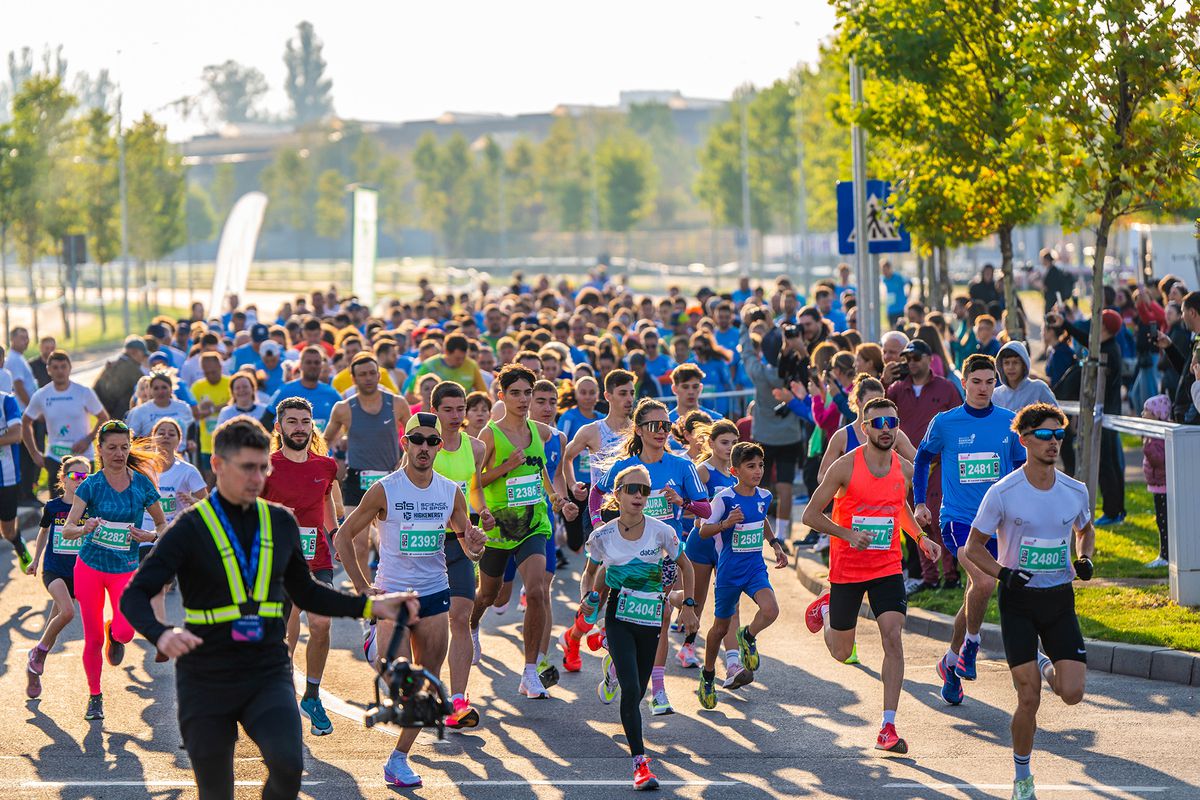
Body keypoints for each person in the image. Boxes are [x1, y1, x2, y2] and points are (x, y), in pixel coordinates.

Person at [121, 417, 418, 800]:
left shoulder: (280, 522)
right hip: (207, 673)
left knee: (289, 767)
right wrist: (161, 633)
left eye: (263, 467)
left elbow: (307, 593)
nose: (256, 478)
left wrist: (373, 606)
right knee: (215, 792)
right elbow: (134, 594)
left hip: (266, 668)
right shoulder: (190, 527)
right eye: (247, 467)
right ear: (218, 465)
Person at [335, 411, 486, 787]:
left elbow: (467, 545)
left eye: (431, 442)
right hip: (393, 598)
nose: (424, 447)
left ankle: (398, 759)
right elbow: (343, 536)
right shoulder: (386, 489)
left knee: (426, 687)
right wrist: (361, 587)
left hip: (435, 595)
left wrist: (476, 547)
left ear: (439, 446)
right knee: (399, 681)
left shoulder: (451, 490)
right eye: (416, 440)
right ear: (404, 443)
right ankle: (374, 638)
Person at [960, 403, 1094, 800]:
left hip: (1058, 600)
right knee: (1029, 696)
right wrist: (1004, 573)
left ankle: (1044, 660)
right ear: (1024, 440)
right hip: (1018, 600)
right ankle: (1023, 777)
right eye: (1045, 435)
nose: (1054, 442)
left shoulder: (1075, 490)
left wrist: (1084, 557)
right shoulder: (1003, 493)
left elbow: (1085, 529)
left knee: (1071, 692)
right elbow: (974, 548)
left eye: (1059, 435)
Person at [802, 398, 942, 753]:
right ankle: (829, 610)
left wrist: (921, 538)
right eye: (877, 423)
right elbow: (810, 516)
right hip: (848, 567)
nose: (885, 428)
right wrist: (848, 534)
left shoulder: (905, 469)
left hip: (886, 566)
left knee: (892, 638)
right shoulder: (844, 467)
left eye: (891, 422)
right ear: (864, 428)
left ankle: (887, 726)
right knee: (840, 650)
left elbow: (900, 509)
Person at [913, 355, 1026, 705]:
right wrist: (919, 503)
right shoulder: (946, 423)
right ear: (964, 382)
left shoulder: (1010, 423)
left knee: (976, 592)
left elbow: (1023, 470)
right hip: (958, 520)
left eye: (989, 382)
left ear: (996, 385)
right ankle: (972, 646)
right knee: (985, 581)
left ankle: (950, 661)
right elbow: (921, 460)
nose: (982, 388)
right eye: (976, 381)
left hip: (998, 522)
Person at [580, 463, 699, 790]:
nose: (638, 496)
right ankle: (640, 763)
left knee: (639, 687)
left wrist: (689, 606)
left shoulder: (662, 531)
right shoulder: (602, 535)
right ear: (616, 494)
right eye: (631, 489)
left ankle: (614, 665)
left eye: (644, 490)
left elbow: (686, 566)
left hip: (650, 619)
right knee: (632, 691)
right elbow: (590, 573)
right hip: (618, 615)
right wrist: (588, 600)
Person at [594, 398, 710, 716]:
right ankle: (618, 664)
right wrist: (598, 523)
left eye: (666, 425)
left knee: (658, 620)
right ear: (639, 429)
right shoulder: (625, 468)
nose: (662, 431)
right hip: (627, 555)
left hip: (666, 556)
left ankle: (657, 690)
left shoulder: (682, 466)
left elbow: (706, 508)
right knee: (631, 620)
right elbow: (596, 492)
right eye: (654, 426)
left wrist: (683, 502)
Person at [61, 419, 168, 720]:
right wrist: (85, 528)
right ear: (100, 450)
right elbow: (68, 528)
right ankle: (95, 696)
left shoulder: (142, 484)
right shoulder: (90, 485)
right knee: (92, 639)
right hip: (90, 567)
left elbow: (162, 524)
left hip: (126, 568)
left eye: (124, 447)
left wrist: (151, 536)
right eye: (112, 448)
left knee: (125, 631)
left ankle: (115, 632)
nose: (119, 454)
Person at [470, 364, 558, 698]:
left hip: (534, 523)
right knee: (489, 596)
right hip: (498, 526)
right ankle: (473, 623)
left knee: (536, 591)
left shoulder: (540, 431)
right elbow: (473, 485)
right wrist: (504, 471)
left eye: (527, 393)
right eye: (516, 393)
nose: (523, 400)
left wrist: (556, 496)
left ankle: (530, 672)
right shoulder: (489, 435)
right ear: (502, 395)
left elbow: (540, 471)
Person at [261, 397, 340, 736]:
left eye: (305, 422)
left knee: (321, 622)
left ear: (312, 426)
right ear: (279, 428)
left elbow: (325, 504)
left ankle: (311, 695)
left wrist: (335, 535)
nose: (299, 428)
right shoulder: (266, 466)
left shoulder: (326, 466)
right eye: (291, 422)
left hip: (316, 558)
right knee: (281, 636)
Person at [695, 442, 788, 709]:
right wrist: (726, 523)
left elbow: (762, 519)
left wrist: (775, 543)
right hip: (729, 572)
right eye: (751, 466)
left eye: (760, 465)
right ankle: (709, 673)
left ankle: (747, 636)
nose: (758, 471)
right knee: (720, 628)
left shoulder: (764, 496)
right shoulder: (723, 498)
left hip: (754, 568)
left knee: (771, 610)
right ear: (735, 470)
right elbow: (703, 530)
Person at [429, 381, 493, 729]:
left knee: (461, 615)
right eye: (448, 409)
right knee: (429, 624)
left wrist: (483, 513)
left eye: (460, 409)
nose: (455, 416)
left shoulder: (476, 447)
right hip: (424, 544)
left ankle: (457, 700)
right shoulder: (424, 445)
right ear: (435, 410)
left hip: (460, 542)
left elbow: (475, 489)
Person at [323, 352, 412, 585]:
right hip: (357, 480)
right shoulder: (344, 408)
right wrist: (333, 462)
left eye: (373, 373)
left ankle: (393, 586)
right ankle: (365, 595)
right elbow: (323, 443)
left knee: (391, 543)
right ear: (353, 379)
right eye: (362, 374)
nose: (369, 378)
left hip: (390, 479)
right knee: (359, 544)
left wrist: (402, 463)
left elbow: (415, 436)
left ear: (379, 375)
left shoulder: (397, 403)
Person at [887, 339, 962, 593]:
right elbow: (882, 418)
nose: (911, 362)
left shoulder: (946, 387)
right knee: (916, 522)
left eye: (917, 357)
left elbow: (956, 421)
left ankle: (951, 576)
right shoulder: (897, 389)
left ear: (930, 358)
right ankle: (930, 578)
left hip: (940, 463)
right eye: (907, 358)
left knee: (941, 518)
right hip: (908, 466)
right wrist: (886, 379)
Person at [678, 419, 745, 681]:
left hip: (729, 545)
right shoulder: (702, 471)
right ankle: (688, 646)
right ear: (712, 443)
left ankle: (732, 663)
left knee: (731, 603)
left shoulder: (737, 473)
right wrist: (700, 514)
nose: (730, 447)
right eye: (724, 442)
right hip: (703, 543)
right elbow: (683, 505)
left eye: (734, 443)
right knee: (699, 600)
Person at [739, 305, 806, 547]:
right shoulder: (792, 372)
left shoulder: (759, 372)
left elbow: (746, 354)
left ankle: (760, 531)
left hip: (764, 434)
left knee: (761, 485)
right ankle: (784, 534)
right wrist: (774, 326)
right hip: (789, 433)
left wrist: (746, 328)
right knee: (785, 485)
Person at [24, 456, 91, 699]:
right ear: (63, 478)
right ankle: (39, 652)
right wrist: (35, 560)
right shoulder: (52, 507)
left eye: (86, 476)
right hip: (54, 570)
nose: (80, 480)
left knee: (54, 625)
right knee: (68, 611)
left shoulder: (91, 507)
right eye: (75, 476)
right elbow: (43, 533)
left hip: (80, 572)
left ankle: (34, 663)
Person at [142, 418, 207, 635]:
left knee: (159, 585)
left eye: (172, 433)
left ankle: (148, 622)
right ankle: (157, 629)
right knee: (154, 584)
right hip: (145, 532)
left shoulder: (187, 471)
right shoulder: (142, 469)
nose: (166, 436)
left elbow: (208, 505)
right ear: (152, 438)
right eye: (161, 432)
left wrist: (191, 501)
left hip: (173, 536)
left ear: (179, 441)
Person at [23, 350, 109, 500]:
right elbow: (25, 422)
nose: (60, 371)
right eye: (55, 367)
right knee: (57, 506)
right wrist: (34, 453)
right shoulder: (42, 395)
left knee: (84, 503)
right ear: (48, 370)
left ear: (70, 368)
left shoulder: (83, 392)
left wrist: (88, 439)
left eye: (63, 366)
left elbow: (103, 418)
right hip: (55, 458)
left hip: (83, 458)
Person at [262, 346, 343, 433]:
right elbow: (266, 420)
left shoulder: (332, 394)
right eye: (308, 362)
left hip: (322, 446)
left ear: (321, 366)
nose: (313, 366)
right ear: (300, 365)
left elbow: (346, 421)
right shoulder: (285, 391)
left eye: (316, 363)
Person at [126, 370, 195, 448]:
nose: (160, 392)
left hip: (180, 455)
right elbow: (131, 437)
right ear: (150, 390)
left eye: (164, 387)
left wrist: (190, 441)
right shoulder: (140, 411)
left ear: (171, 389)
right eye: (156, 388)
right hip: (152, 456)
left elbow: (191, 428)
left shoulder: (183, 407)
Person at [1141, 394, 1172, 568]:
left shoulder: (1159, 437)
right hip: (1157, 485)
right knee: (1160, 521)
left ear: (1157, 415)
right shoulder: (1152, 435)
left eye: (1147, 411)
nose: (1143, 413)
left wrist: (1148, 448)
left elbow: (1159, 460)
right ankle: (1164, 553)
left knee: (1163, 520)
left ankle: (1166, 555)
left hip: (1163, 486)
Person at [191, 352, 231, 482]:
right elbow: (192, 414)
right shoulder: (198, 387)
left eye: (213, 372)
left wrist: (213, 408)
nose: (210, 376)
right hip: (207, 444)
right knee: (209, 481)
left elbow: (235, 403)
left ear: (220, 367)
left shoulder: (230, 383)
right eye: (206, 373)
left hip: (229, 443)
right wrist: (204, 410)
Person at [93, 336, 150, 420]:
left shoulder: (112, 365)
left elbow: (95, 389)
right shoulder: (132, 368)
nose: (144, 358)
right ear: (134, 352)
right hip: (122, 415)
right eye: (143, 354)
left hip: (107, 412)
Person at [994, 341, 1057, 412]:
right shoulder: (995, 395)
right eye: (1006, 363)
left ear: (1024, 365)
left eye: (1015, 362)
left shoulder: (1039, 389)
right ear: (1001, 366)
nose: (1010, 367)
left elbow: (1057, 418)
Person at [881, 260, 911, 328]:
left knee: (901, 328)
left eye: (885, 270)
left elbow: (910, 283)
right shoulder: (884, 279)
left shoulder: (898, 277)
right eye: (883, 270)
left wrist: (908, 295)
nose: (884, 272)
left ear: (890, 269)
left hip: (900, 308)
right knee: (893, 329)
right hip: (890, 309)